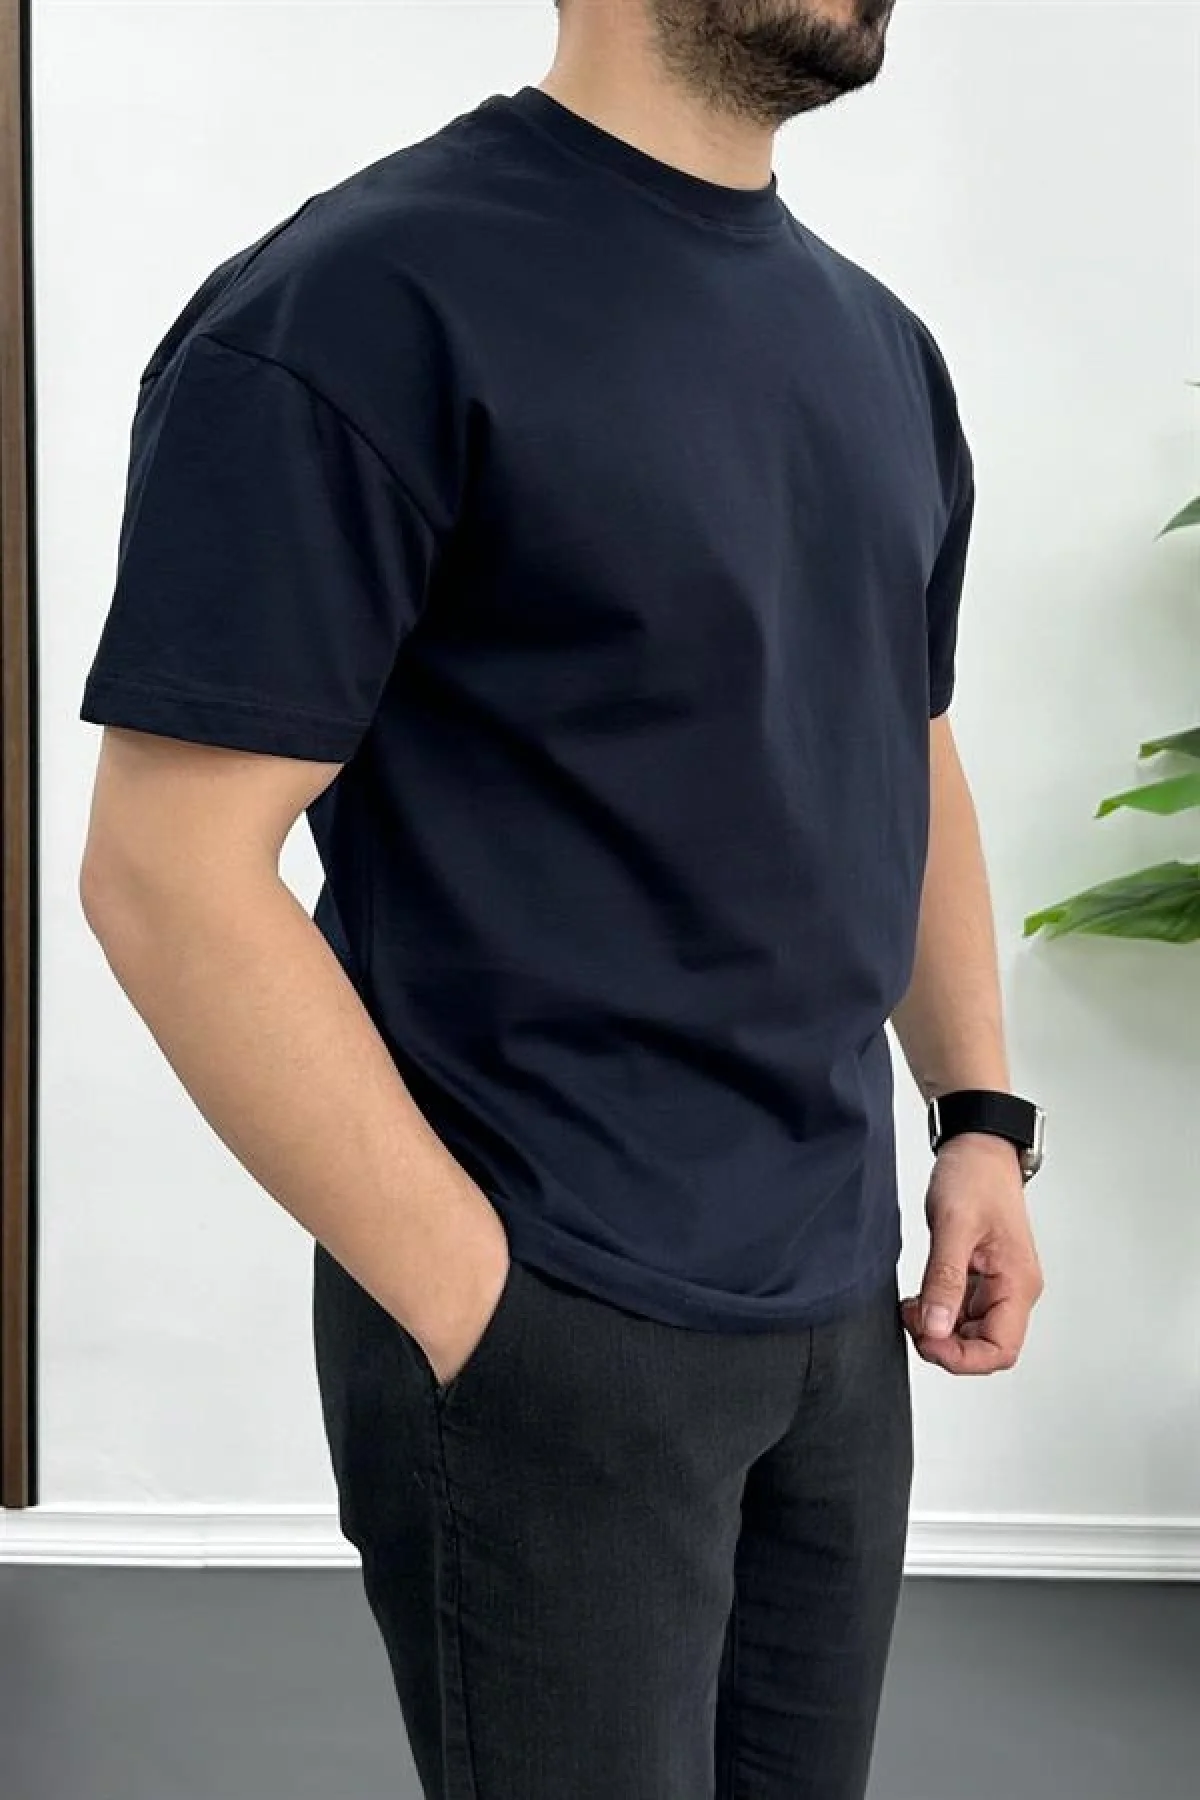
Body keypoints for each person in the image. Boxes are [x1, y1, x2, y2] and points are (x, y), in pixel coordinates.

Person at [78, 2, 1046, 1794]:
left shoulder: (879, 347)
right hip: (555, 1306)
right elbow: (164, 870)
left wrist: (978, 1117)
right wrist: (484, 1311)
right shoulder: (359, 303)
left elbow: (904, 745)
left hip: (837, 1312)